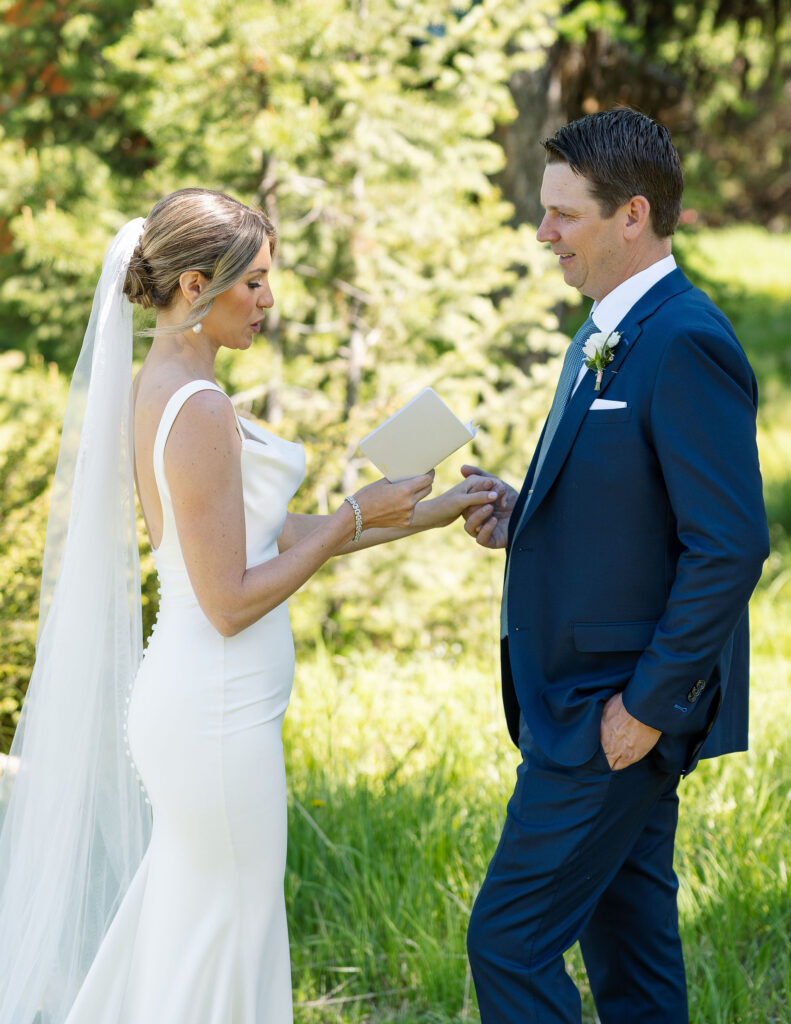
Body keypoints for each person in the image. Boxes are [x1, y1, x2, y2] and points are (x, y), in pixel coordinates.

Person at [0, 187, 497, 1024]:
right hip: (213, 712)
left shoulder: (183, 384)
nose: (268, 302)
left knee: (194, 934)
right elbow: (228, 600)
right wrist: (352, 513)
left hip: (212, 709)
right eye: (253, 282)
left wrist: (428, 512)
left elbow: (267, 536)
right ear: (193, 286)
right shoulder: (191, 408)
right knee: (226, 939)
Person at [460, 109, 769, 1023]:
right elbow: (635, 510)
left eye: (563, 214)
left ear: (631, 215)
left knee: (507, 944)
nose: (543, 232)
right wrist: (526, 517)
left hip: (610, 710)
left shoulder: (684, 340)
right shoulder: (604, 328)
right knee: (631, 953)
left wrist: (645, 705)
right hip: (580, 698)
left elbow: (727, 543)